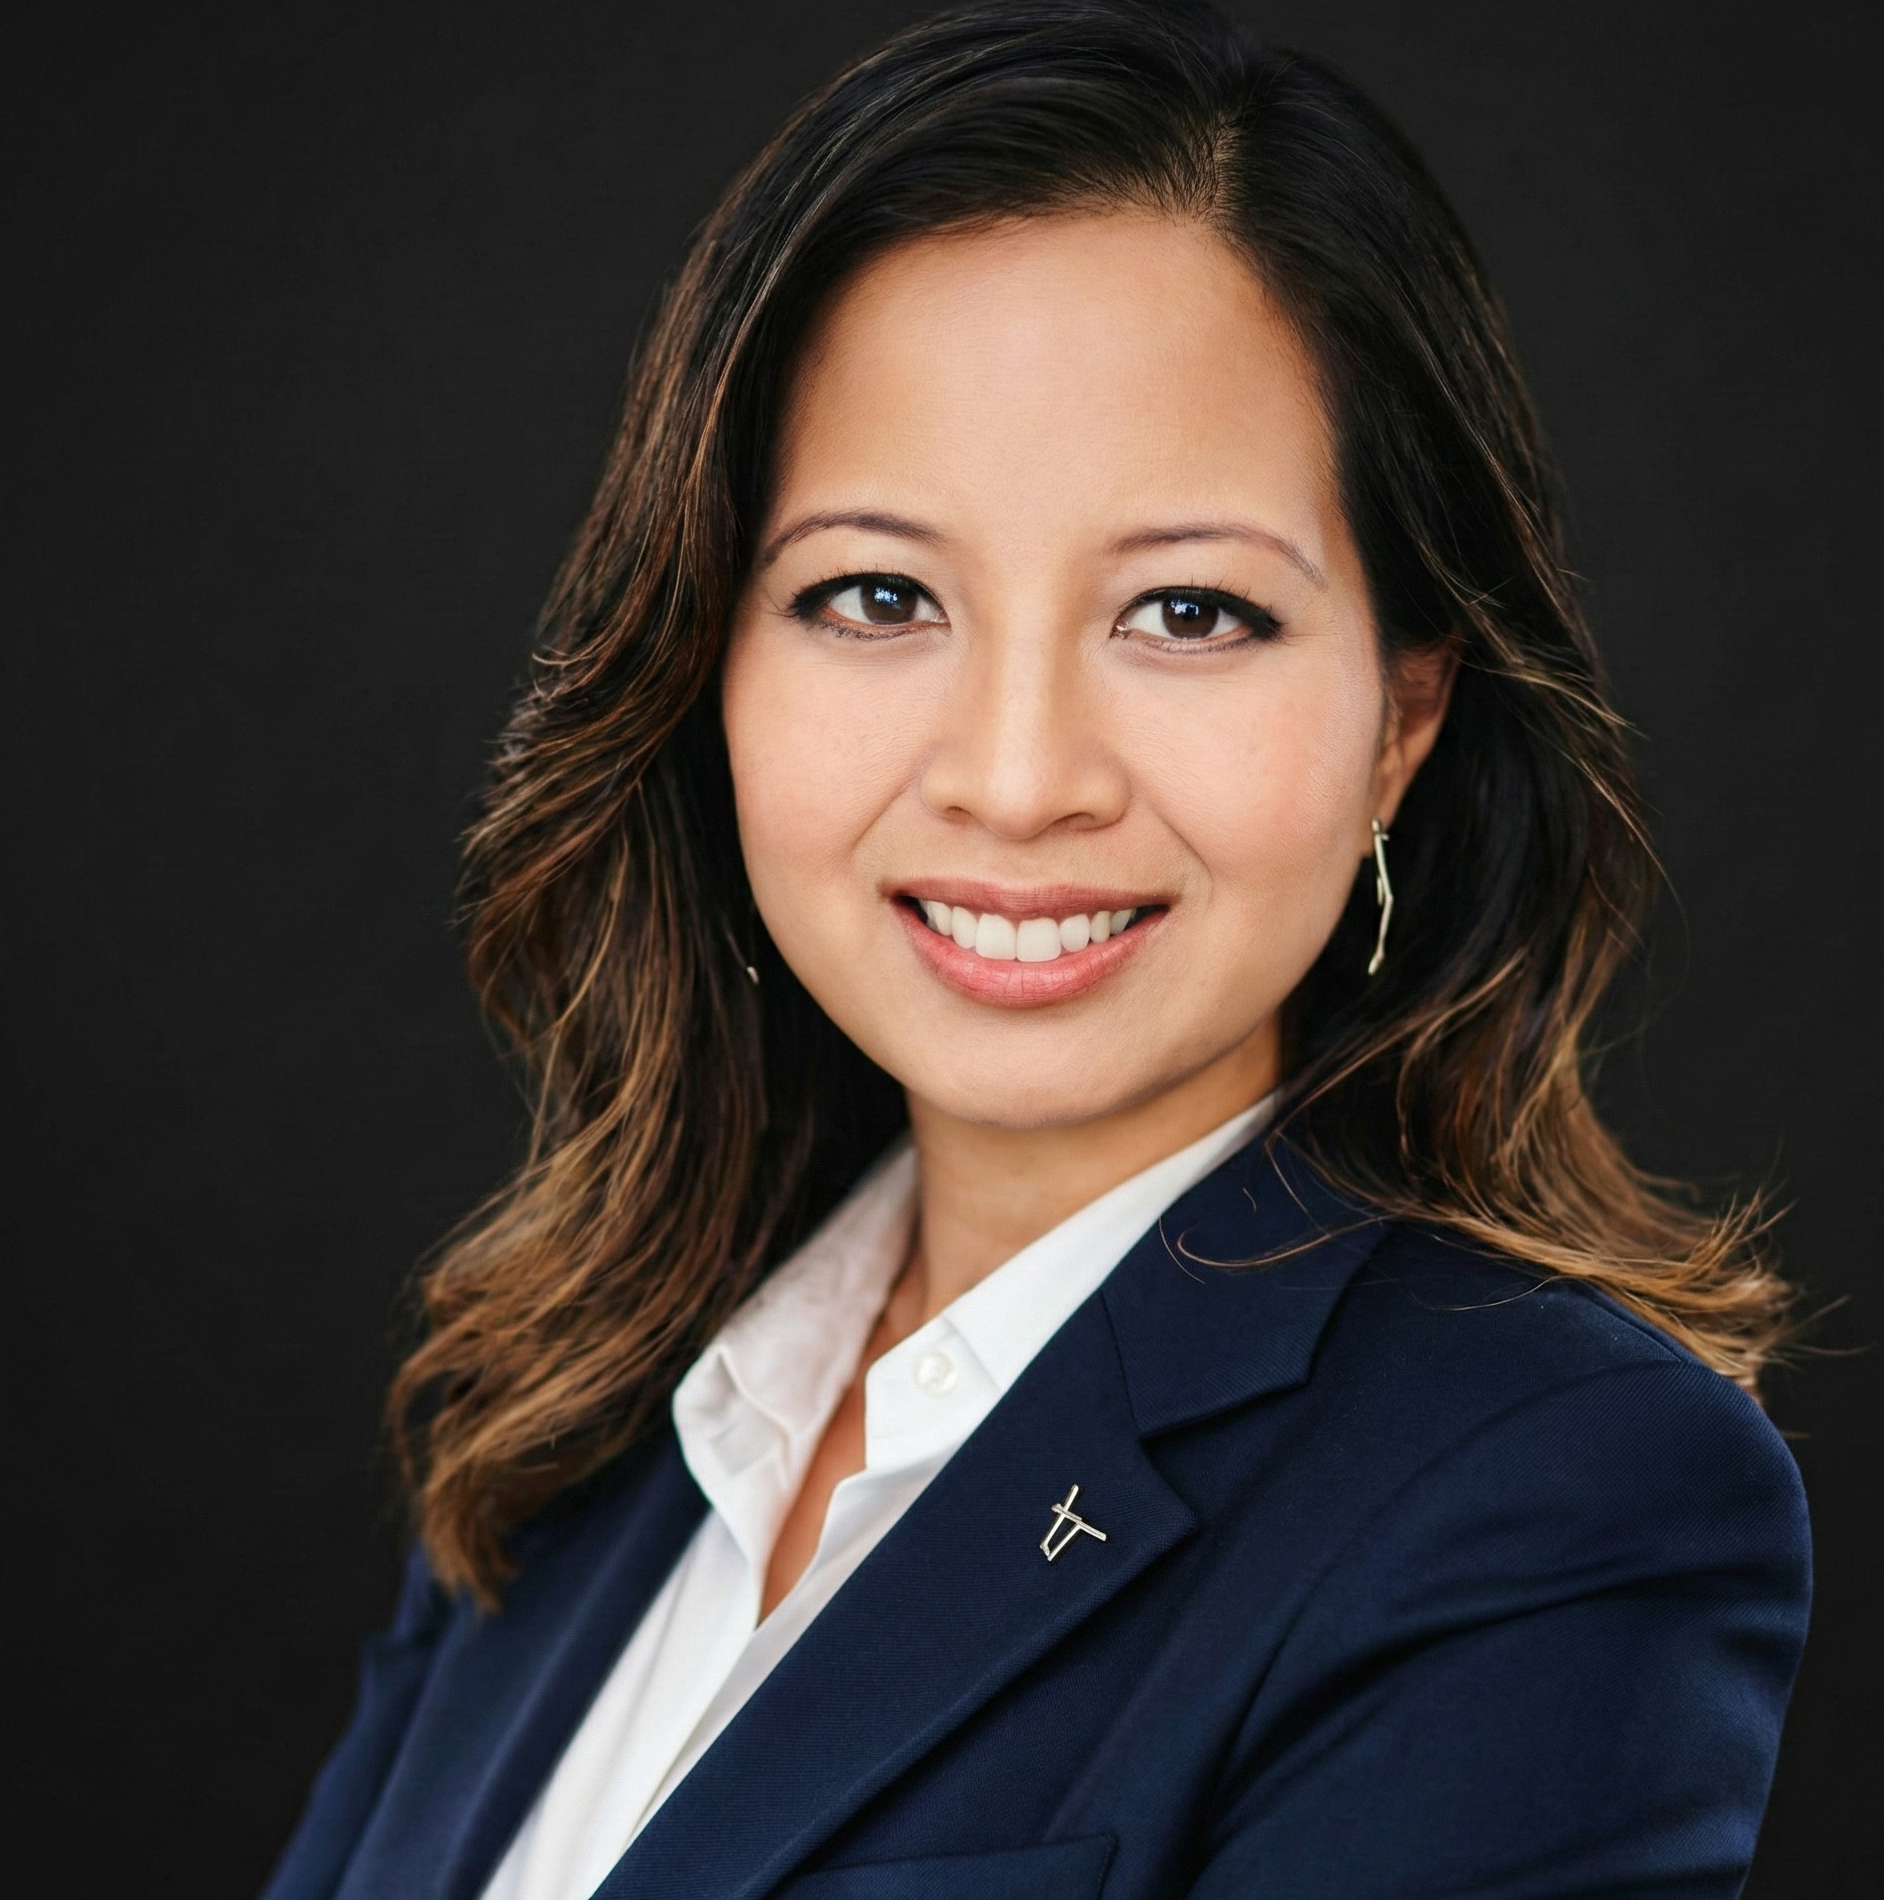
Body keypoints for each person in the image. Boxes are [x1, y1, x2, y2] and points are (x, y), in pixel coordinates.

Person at [262, 5, 1810, 1896]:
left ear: (1404, 714)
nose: (1015, 782)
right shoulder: (585, 1410)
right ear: (707, 657)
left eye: (1187, 609)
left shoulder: (1553, 1496)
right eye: (876, 594)